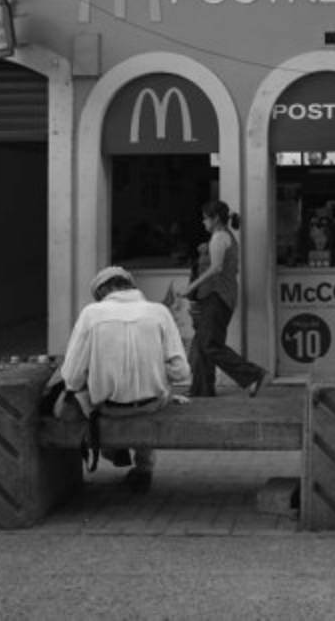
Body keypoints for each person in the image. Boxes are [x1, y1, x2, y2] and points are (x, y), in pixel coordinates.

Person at [55, 266, 191, 493]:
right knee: (151, 394)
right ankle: (144, 468)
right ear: (131, 286)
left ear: (101, 293)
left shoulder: (91, 314)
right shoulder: (159, 312)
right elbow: (181, 372)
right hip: (151, 405)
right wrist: (153, 369)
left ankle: (114, 449)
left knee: (76, 399)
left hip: (110, 407)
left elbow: (71, 377)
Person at [184, 200, 267, 398]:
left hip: (218, 296)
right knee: (203, 344)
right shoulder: (221, 237)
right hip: (215, 296)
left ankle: (253, 374)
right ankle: (202, 389)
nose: (203, 222)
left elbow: (216, 268)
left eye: (205, 218)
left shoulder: (219, 237)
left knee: (209, 344)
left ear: (216, 219)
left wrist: (190, 288)